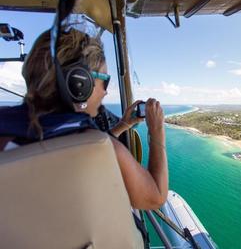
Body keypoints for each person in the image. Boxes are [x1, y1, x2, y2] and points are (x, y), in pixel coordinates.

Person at [0, 28, 168, 210]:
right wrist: (156, 130)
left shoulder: (6, 132)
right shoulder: (99, 148)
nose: (105, 91)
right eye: (104, 80)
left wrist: (123, 125)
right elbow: (155, 197)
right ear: (79, 83)